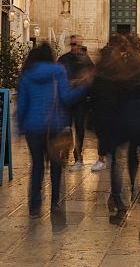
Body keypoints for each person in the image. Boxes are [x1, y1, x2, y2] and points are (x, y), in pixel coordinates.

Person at [17, 41, 90, 221]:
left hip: (33, 127)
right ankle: (55, 203)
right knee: (56, 167)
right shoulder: (59, 71)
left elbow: (22, 105)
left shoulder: (26, 74)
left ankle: (34, 206)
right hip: (55, 126)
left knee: (37, 166)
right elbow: (66, 97)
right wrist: (84, 86)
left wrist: (19, 128)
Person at [58, 34, 94, 170]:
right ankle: (66, 152)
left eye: (75, 44)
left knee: (79, 127)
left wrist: (80, 82)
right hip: (66, 99)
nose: (73, 47)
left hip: (80, 99)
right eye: (72, 44)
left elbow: (91, 76)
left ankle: (79, 155)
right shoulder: (63, 59)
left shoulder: (85, 60)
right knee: (66, 128)